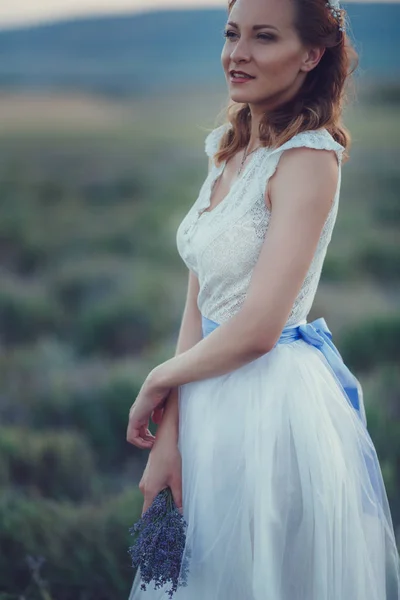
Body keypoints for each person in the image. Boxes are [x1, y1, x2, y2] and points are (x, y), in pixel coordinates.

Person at [126, 0, 400, 597]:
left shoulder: (308, 158)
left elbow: (256, 329)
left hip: (268, 407)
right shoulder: (228, 145)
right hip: (204, 398)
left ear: (311, 55)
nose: (238, 53)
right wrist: (169, 432)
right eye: (231, 34)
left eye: (264, 37)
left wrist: (157, 379)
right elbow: (199, 300)